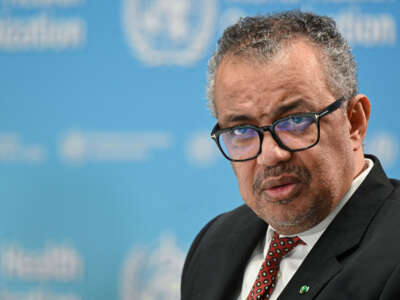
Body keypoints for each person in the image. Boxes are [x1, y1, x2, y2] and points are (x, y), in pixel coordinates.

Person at [181, 10, 400, 300]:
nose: (270, 156)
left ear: (354, 121)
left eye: (296, 121)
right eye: (242, 130)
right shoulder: (213, 243)